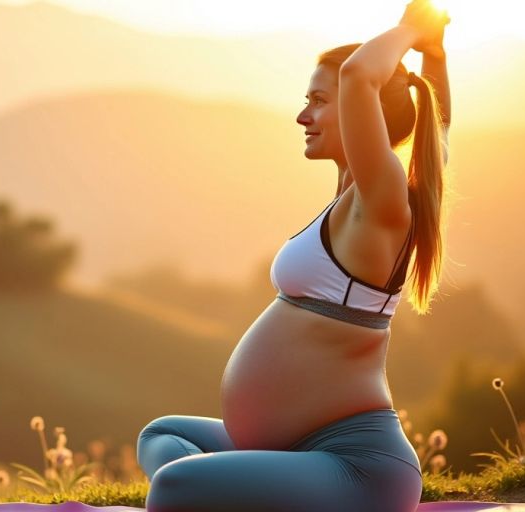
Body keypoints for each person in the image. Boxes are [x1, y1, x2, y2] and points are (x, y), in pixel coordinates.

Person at [135, 1, 452, 511]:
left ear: (357, 108)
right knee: (162, 434)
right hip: (292, 447)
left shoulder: (385, 200)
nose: (303, 115)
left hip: (357, 468)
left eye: (319, 101)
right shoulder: (357, 193)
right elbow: (437, 126)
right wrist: (434, 58)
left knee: (172, 487)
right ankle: (255, 484)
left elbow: (358, 75)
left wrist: (412, 30)